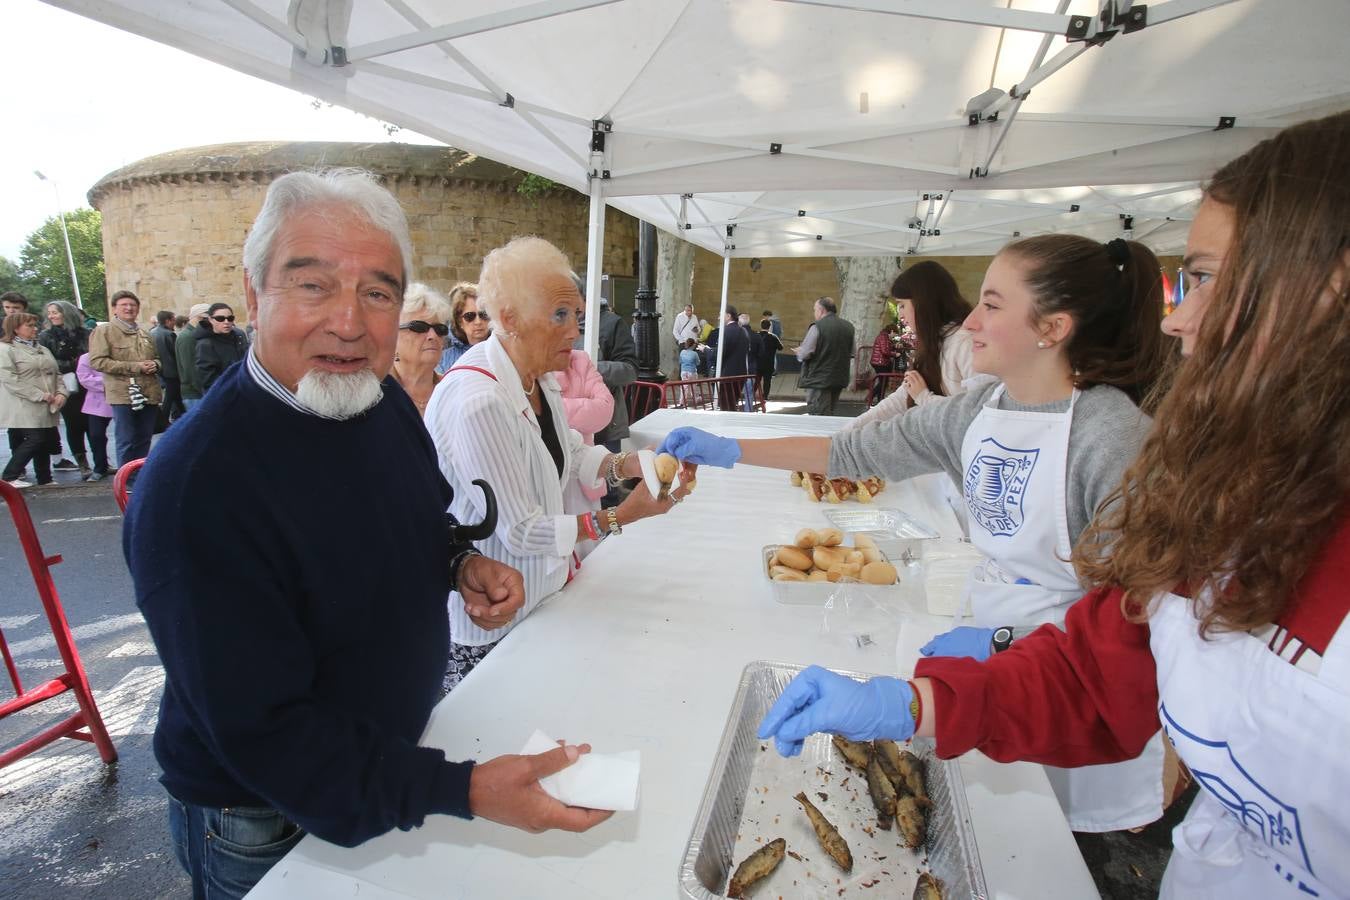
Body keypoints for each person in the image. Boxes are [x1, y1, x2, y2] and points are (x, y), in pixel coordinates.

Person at [757, 111, 1350, 900]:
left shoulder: (1112, 436)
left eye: (1203, 277)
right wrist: (913, 701)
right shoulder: (1240, 506)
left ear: (1327, 290)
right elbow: (1095, 667)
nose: (1178, 317)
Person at [126, 169, 612, 900]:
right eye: (314, 285)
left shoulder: (377, 398)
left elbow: (417, 515)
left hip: (388, 761)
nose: (350, 322)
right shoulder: (199, 485)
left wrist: (456, 563)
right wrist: (464, 790)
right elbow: (270, 735)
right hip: (265, 815)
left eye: (378, 293)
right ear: (256, 298)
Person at [660, 231, 1171, 833]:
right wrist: (735, 447)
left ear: (1052, 328)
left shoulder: (1112, 438)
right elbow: (854, 451)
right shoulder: (980, 410)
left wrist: (1008, 645)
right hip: (991, 672)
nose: (972, 320)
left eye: (993, 305)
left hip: (1068, 686)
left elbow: (1141, 623)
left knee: (1048, 844)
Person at [428, 238, 686, 691]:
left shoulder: (538, 377)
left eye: (577, 316)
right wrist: (620, 516)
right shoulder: (479, 401)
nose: (575, 331)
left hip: (541, 598)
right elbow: (522, 530)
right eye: (560, 316)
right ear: (508, 318)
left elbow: (569, 454)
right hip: (493, 625)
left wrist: (636, 462)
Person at [851, 261, 980, 429]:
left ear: (924, 303)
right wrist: (847, 432)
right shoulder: (936, 343)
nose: (900, 314)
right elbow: (899, 400)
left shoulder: (965, 343)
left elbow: (980, 413)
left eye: (903, 305)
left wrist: (924, 397)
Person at [89, 290, 162, 469]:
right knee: (126, 439)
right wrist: (135, 367)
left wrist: (156, 365)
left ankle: (139, 477)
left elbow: (158, 359)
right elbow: (98, 362)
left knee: (144, 438)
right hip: (123, 394)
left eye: (133, 305)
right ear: (114, 309)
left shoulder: (145, 334)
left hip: (148, 392)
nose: (129, 308)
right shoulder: (104, 331)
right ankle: (125, 480)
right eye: (124, 305)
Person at [555, 347, 614, 558]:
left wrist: (553, 409)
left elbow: (605, 409)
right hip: (544, 482)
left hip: (584, 475)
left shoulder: (579, 359)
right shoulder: (521, 363)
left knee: (589, 554)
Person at [1, 313, 67, 488]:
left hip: (48, 402)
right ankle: (9, 476)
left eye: (35, 325)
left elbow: (56, 373)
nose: (35, 328)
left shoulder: (42, 348)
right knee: (35, 438)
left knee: (44, 438)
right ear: (16, 329)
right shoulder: (6, 349)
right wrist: (39, 395)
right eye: (29, 325)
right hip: (24, 403)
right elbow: (9, 379)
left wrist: (61, 393)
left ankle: (44, 478)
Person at [39, 300, 91, 474]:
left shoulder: (86, 333)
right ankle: (82, 461)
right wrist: (71, 363)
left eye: (55, 312)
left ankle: (101, 460)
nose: (51, 315)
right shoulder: (46, 336)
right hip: (65, 383)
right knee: (74, 423)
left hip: (89, 383)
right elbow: (47, 363)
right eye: (50, 312)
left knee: (94, 424)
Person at [391, 282, 452, 416]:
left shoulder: (452, 391)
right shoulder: (375, 394)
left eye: (439, 329)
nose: (433, 335)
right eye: (419, 327)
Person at [795, 296, 856, 415]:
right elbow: (852, 352)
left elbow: (805, 353)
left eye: (815, 310)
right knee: (830, 413)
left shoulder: (817, 327)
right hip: (839, 377)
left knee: (818, 414)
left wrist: (799, 352)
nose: (814, 313)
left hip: (819, 378)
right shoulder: (848, 327)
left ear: (822, 310)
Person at [195, 302, 249, 394]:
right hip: (224, 395)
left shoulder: (238, 337)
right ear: (210, 320)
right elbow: (207, 378)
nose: (226, 322)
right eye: (220, 319)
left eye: (230, 318)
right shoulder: (205, 344)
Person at [75, 351, 112, 481]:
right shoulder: (87, 357)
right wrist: (110, 381)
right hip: (98, 401)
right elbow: (84, 378)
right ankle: (100, 467)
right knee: (96, 434)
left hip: (123, 397)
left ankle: (130, 466)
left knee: (128, 435)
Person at [438, 282, 489, 373]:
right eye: (469, 316)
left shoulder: (504, 350)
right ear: (459, 321)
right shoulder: (443, 360)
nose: (478, 322)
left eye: (483, 314)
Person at [710, 305, 752, 410]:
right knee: (732, 404)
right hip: (741, 373)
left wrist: (707, 351)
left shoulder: (726, 331)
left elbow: (720, 353)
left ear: (728, 316)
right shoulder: (743, 331)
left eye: (720, 315)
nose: (718, 318)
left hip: (728, 375)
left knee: (726, 406)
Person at [150, 309, 183, 428]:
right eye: (173, 320)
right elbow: (176, 353)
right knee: (170, 397)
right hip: (171, 370)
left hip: (160, 370)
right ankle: (163, 421)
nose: (175, 322)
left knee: (174, 396)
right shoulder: (169, 334)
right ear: (168, 320)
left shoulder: (152, 332)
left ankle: (182, 415)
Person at [176, 303, 211, 411]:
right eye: (207, 319)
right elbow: (190, 369)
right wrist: (205, 391)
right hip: (195, 394)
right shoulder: (187, 337)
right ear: (199, 318)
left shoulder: (194, 334)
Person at [866, 321, 898, 406]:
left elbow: (887, 347)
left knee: (883, 382)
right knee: (883, 382)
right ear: (891, 331)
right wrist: (895, 354)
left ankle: (879, 400)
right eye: (895, 333)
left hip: (880, 362)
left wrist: (894, 346)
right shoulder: (883, 337)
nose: (895, 335)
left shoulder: (884, 337)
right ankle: (871, 397)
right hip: (880, 362)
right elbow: (885, 351)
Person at [755, 317, 784, 402]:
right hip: (769, 363)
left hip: (758, 362)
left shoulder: (756, 335)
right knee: (767, 381)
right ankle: (765, 396)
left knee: (757, 380)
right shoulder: (773, 337)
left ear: (761, 326)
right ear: (769, 327)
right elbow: (781, 347)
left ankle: (752, 394)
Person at [672, 302, 700, 372]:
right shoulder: (680, 316)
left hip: (693, 343)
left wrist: (697, 330)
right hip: (684, 343)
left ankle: (693, 380)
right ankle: (681, 380)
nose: (688, 312)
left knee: (693, 362)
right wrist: (682, 340)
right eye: (686, 310)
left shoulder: (694, 317)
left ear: (692, 310)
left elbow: (699, 328)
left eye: (689, 310)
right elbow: (675, 331)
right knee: (683, 363)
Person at [678, 337, 700, 406]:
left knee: (684, 386)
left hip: (683, 372)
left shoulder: (682, 352)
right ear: (693, 345)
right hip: (692, 372)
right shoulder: (694, 354)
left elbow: (680, 361)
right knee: (693, 386)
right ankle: (695, 399)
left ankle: (682, 401)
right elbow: (698, 363)